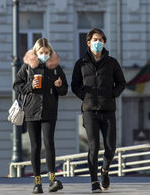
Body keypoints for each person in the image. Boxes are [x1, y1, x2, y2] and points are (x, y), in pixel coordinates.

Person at [71, 28, 126, 193]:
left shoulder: (112, 62)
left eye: (101, 40)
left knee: (110, 147)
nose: (98, 43)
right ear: (88, 42)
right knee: (93, 146)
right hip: (89, 111)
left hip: (108, 110)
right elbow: (74, 85)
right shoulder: (81, 63)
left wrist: (112, 94)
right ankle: (94, 181)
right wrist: (84, 97)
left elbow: (121, 83)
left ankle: (105, 171)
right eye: (95, 40)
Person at [13, 38, 68, 194]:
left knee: (49, 143)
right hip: (31, 111)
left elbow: (64, 90)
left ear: (50, 52)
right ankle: (37, 181)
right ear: (35, 53)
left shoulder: (55, 68)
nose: (44, 55)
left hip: (49, 111)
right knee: (35, 146)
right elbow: (16, 86)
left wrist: (59, 87)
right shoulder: (28, 67)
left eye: (46, 52)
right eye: (41, 52)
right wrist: (30, 86)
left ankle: (52, 179)